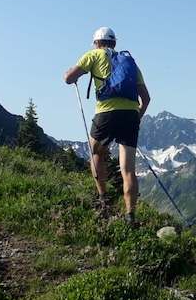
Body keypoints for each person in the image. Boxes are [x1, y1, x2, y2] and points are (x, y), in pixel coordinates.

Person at [64, 27, 151, 224]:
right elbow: (146, 99)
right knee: (128, 170)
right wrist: (136, 117)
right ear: (115, 43)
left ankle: (104, 199)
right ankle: (131, 215)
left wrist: (69, 74)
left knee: (96, 153)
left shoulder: (93, 55)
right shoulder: (130, 63)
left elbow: (69, 79)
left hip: (106, 112)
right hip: (130, 115)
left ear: (97, 42)